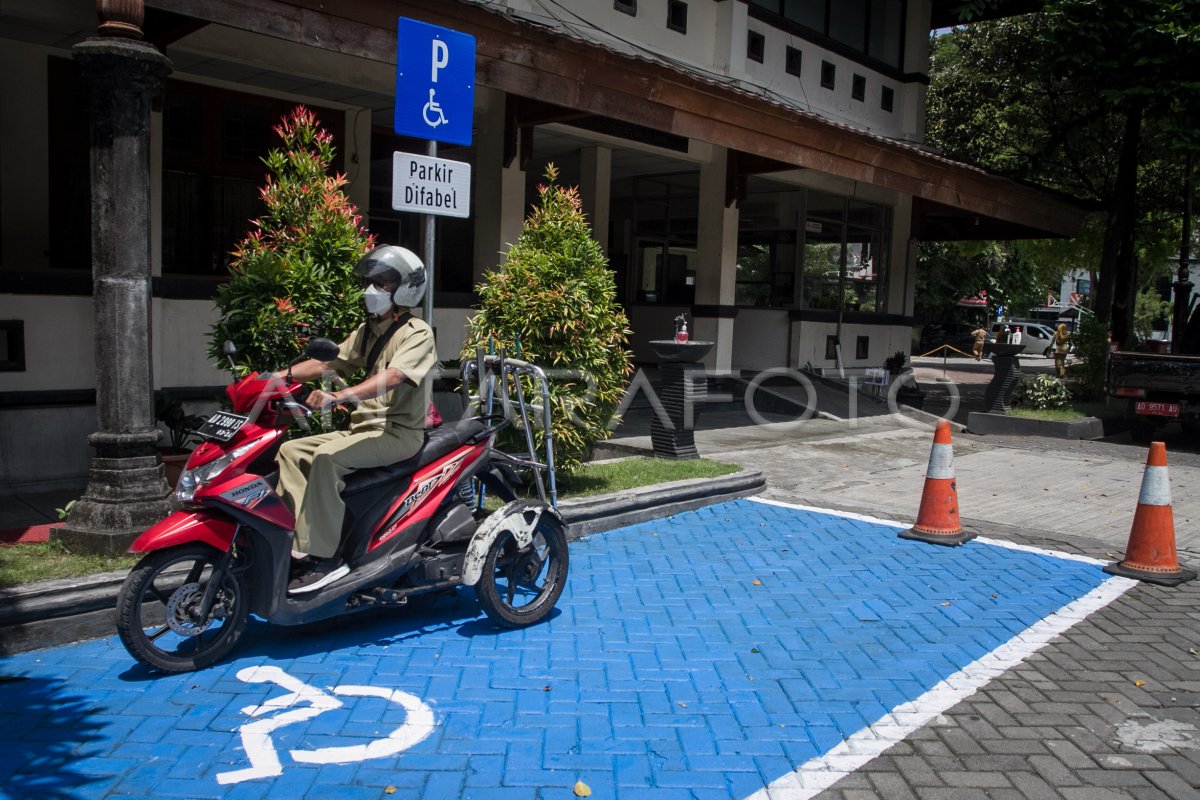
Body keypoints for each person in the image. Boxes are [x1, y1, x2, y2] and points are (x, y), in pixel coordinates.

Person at [275, 245, 438, 594]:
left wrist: (340, 396)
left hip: (398, 433)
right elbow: (328, 362)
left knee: (326, 458)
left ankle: (325, 559)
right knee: (291, 451)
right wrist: (278, 377)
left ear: (406, 289)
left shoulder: (418, 332)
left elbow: (395, 376)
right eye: (371, 282)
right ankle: (294, 545)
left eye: (382, 283)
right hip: (364, 429)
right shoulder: (369, 330)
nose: (372, 290)